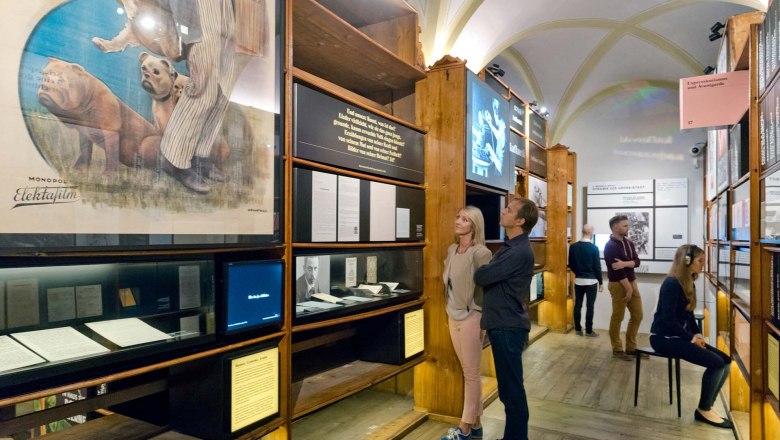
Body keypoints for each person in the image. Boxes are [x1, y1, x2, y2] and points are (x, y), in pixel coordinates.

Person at [474, 197, 538, 440]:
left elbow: (482, 276)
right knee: (510, 391)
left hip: (507, 326)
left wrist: (483, 270)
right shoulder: (511, 247)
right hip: (504, 324)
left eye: (509, 210)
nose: (503, 211)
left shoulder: (518, 252)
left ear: (520, 221)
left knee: (512, 393)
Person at [650, 244, 732, 429]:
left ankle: (708, 406)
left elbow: (688, 315)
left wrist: (697, 334)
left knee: (726, 361)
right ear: (687, 261)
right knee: (716, 363)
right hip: (663, 339)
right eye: (700, 261)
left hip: (679, 337)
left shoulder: (688, 283)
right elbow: (668, 320)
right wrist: (690, 339)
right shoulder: (672, 283)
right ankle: (704, 409)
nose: (703, 264)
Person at [161, 0, 237, 193]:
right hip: (201, 15)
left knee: (222, 94)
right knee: (202, 91)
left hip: (225, 15)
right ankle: (174, 159)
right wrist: (184, 32)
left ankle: (200, 156)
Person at [441, 207, 492, 440]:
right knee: (467, 373)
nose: (458, 222)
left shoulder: (481, 252)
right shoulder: (452, 250)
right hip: (453, 315)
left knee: (471, 374)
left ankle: (463, 429)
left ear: (474, 225)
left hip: (472, 317)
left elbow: (485, 289)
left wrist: (478, 314)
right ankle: (477, 426)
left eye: (464, 219)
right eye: (457, 217)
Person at [604, 214, 643, 360]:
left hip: (631, 282)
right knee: (618, 317)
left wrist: (625, 263)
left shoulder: (629, 243)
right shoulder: (610, 246)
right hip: (619, 284)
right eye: (625, 225)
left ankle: (631, 348)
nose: (628, 227)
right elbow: (617, 271)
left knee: (638, 315)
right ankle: (617, 348)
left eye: (628, 225)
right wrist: (628, 288)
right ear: (615, 227)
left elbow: (637, 262)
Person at [568, 224, 602, 337]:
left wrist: (578, 273)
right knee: (590, 306)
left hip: (579, 280)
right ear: (590, 233)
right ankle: (589, 331)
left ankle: (578, 329)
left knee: (578, 304)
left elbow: (571, 264)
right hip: (591, 281)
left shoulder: (573, 247)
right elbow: (597, 267)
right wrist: (601, 281)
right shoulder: (594, 248)